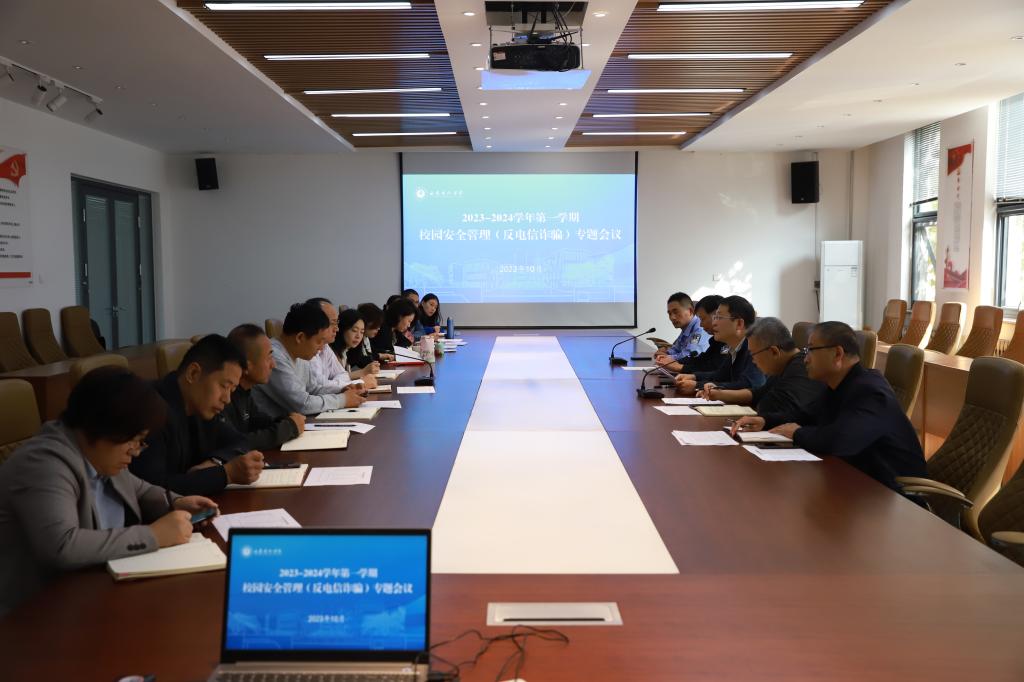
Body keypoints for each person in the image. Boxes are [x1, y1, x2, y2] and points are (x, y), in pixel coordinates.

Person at [0, 367, 218, 616]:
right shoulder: (44, 463)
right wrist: (154, 535)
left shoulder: (100, 453)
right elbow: (61, 546)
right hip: (34, 615)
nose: (136, 451)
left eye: (141, 441)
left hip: (94, 593)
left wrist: (177, 503)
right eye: (134, 440)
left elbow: (141, 489)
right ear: (101, 426)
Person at [758, 321, 928, 491]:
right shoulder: (838, 385)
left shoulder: (871, 391)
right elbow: (805, 415)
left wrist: (797, 433)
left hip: (896, 494)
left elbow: (840, 440)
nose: (805, 359)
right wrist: (764, 420)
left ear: (838, 354)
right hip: (859, 483)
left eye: (810, 350)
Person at [131, 335, 264, 495]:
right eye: (224, 386)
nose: (227, 399)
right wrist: (226, 474)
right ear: (193, 373)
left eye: (232, 390)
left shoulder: (201, 406)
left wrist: (215, 462)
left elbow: (240, 441)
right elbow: (152, 489)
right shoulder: (150, 409)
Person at [706, 317, 825, 431]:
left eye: (753, 354)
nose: (753, 360)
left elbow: (770, 408)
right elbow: (759, 393)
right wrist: (720, 394)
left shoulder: (801, 369)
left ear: (774, 352)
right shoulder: (784, 365)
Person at [254, 301, 366, 417]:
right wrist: (343, 400)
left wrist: (341, 390)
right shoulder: (274, 357)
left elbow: (313, 389)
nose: (322, 348)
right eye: (319, 341)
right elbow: (302, 404)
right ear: (300, 337)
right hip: (274, 425)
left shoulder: (299, 353)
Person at [224, 324, 304, 450]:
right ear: (246, 366)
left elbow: (259, 423)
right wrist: (290, 427)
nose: (273, 364)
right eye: (269, 357)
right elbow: (237, 443)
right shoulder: (224, 397)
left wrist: (288, 419)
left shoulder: (245, 392)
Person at [675, 295, 765, 394]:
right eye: (714, 317)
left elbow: (749, 385)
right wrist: (694, 377)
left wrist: (697, 386)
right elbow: (720, 376)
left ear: (739, 323)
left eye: (719, 317)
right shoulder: (735, 347)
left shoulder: (755, 347)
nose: (714, 323)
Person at [306, 297, 377, 392]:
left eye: (362, 332)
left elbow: (342, 374)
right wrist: (360, 383)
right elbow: (319, 387)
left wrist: (340, 382)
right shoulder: (307, 350)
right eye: (332, 323)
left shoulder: (326, 347)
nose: (337, 328)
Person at [662, 294, 728, 375]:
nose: (672, 317)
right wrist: (668, 357)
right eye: (669, 314)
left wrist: (680, 366)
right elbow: (701, 359)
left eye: (702, 319)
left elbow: (716, 368)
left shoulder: (699, 331)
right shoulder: (715, 340)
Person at [654, 292, 709, 369]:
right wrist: (665, 352)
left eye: (676, 312)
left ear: (690, 311)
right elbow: (676, 348)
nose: (672, 317)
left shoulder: (699, 329)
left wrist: (668, 357)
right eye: (669, 313)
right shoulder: (686, 327)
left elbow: (689, 355)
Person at [332, 308, 382, 380]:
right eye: (354, 330)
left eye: (362, 332)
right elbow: (334, 381)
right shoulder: (331, 352)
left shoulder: (346, 352)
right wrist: (363, 372)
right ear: (342, 329)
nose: (358, 336)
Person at [346, 302, 393, 368]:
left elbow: (372, 353)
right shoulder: (355, 341)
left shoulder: (366, 338)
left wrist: (383, 354)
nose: (378, 328)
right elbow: (360, 361)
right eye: (376, 325)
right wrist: (379, 356)